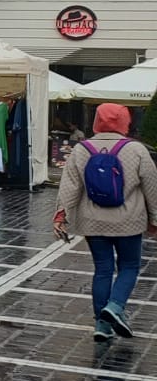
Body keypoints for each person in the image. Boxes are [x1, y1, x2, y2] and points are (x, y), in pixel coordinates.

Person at [56, 103, 157, 342]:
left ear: (97, 121)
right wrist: (155, 218)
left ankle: (102, 325)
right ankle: (115, 306)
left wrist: (61, 215)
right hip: (129, 220)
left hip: (92, 221)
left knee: (102, 269)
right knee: (129, 267)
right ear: (125, 122)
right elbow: (151, 186)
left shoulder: (82, 149)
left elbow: (69, 187)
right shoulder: (137, 150)